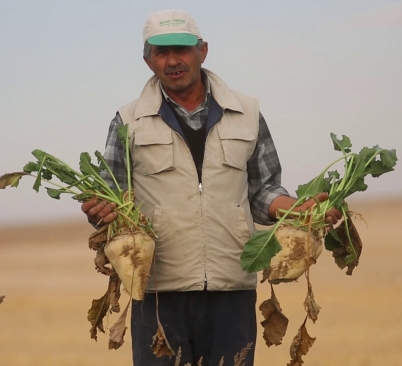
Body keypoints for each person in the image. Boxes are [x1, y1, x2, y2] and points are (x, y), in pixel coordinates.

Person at [81, 9, 341, 366]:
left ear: (202, 51)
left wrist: (297, 209)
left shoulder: (246, 113)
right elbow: (109, 196)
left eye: (182, 49)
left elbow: (263, 190)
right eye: (161, 52)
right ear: (148, 60)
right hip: (158, 293)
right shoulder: (129, 121)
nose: (173, 60)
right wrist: (99, 213)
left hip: (232, 289)